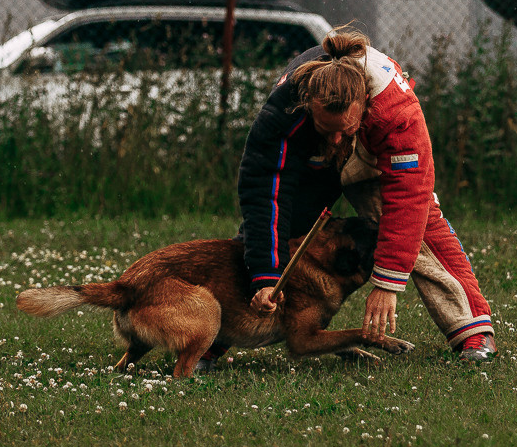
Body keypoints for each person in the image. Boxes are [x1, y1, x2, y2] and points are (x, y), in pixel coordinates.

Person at [198, 27, 496, 372]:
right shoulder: (285, 109)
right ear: (308, 105)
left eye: (346, 130)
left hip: (373, 153)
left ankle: (473, 330)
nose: (339, 139)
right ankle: (219, 333)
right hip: (314, 155)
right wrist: (265, 277)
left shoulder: (396, 112)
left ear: (364, 103)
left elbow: (409, 199)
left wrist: (387, 283)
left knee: (422, 231)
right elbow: (265, 194)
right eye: (330, 129)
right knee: (271, 233)